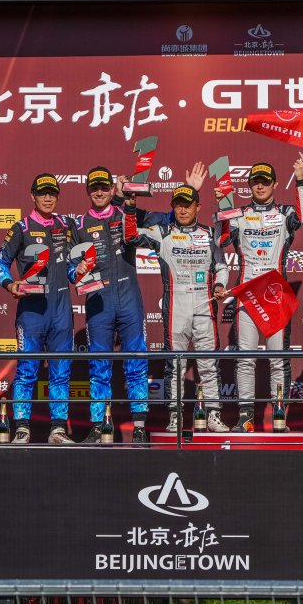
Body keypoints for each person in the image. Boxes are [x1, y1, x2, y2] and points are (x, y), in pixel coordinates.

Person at [68, 163, 206, 445]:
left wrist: (190, 189)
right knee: (99, 366)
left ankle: (139, 426)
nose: (99, 192)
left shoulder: (128, 214)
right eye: (94, 188)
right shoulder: (78, 226)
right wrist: (77, 271)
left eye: (103, 187)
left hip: (129, 299)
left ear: (112, 190)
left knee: (136, 363)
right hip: (98, 302)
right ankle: (99, 426)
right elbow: (71, 270)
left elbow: (172, 219)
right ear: (87, 191)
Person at [214, 155, 303, 432]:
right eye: (255, 181)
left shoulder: (285, 213)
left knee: (278, 358)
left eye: (265, 182)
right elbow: (221, 239)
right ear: (249, 185)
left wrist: (301, 179)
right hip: (247, 295)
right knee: (245, 359)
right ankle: (246, 417)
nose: (260, 186)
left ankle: (279, 415)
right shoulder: (239, 214)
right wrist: (223, 205)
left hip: (275, 295)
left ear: (275, 184)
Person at [125, 184, 231, 433]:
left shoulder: (209, 233)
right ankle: (175, 416)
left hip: (204, 304)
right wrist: (129, 208)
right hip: (176, 306)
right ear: (172, 208)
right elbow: (131, 236)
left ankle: (213, 414)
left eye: (188, 205)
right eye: (178, 205)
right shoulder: (162, 232)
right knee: (175, 364)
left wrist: (219, 284)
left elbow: (222, 266)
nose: (183, 210)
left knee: (208, 363)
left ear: (198, 207)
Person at [0, 173, 75, 444]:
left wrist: (79, 272)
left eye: (52, 193)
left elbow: (71, 267)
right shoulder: (21, 228)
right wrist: (9, 284)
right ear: (33, 196)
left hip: (61, 310)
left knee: (61, 371)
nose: (48, 198)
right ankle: (22, 428)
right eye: (42, 193)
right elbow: (0, 261)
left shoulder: (66, 225)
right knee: (27, 370)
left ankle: (58, 429)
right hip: (31, 312)